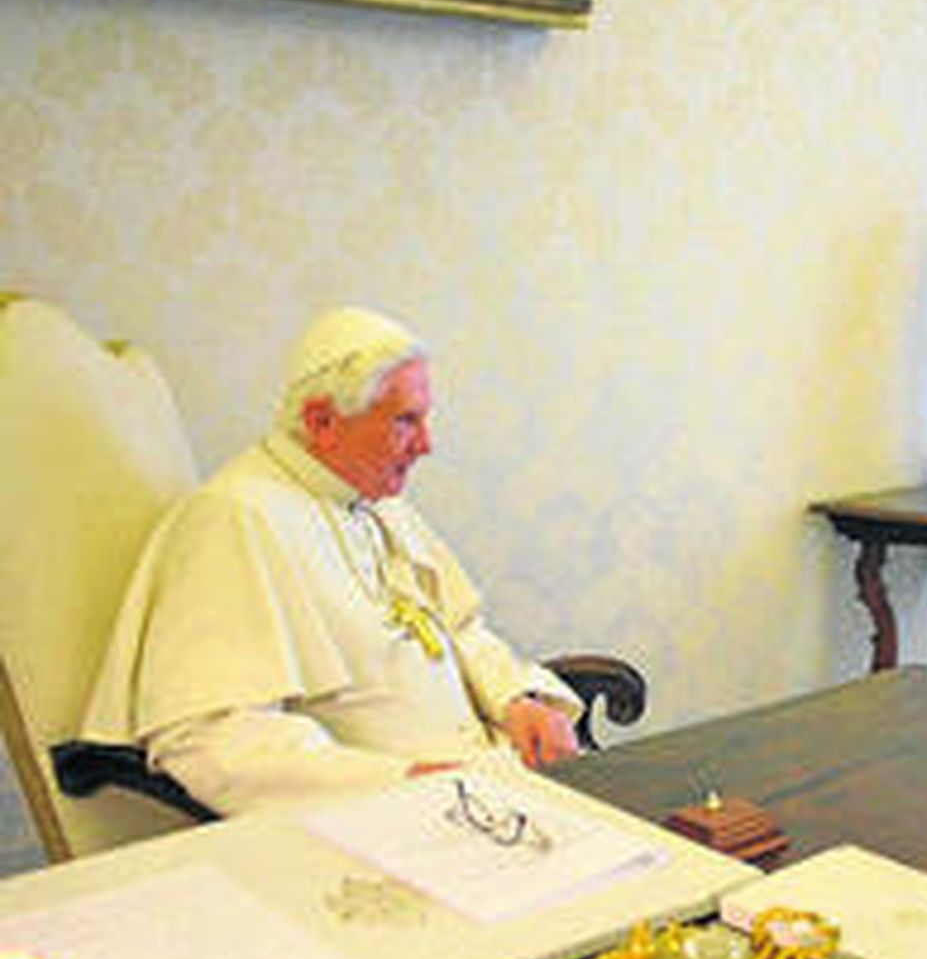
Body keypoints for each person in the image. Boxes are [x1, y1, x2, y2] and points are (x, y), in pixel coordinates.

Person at [82, 306, 582, 814]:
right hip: (395, 819)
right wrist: (397, 782)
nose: (426, 445)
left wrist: (516, 700)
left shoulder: (374, 503)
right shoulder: (235, 517)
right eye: (406, 421)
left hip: (492, 783)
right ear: (322, 420)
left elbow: (459, 628)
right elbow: (213, 739)